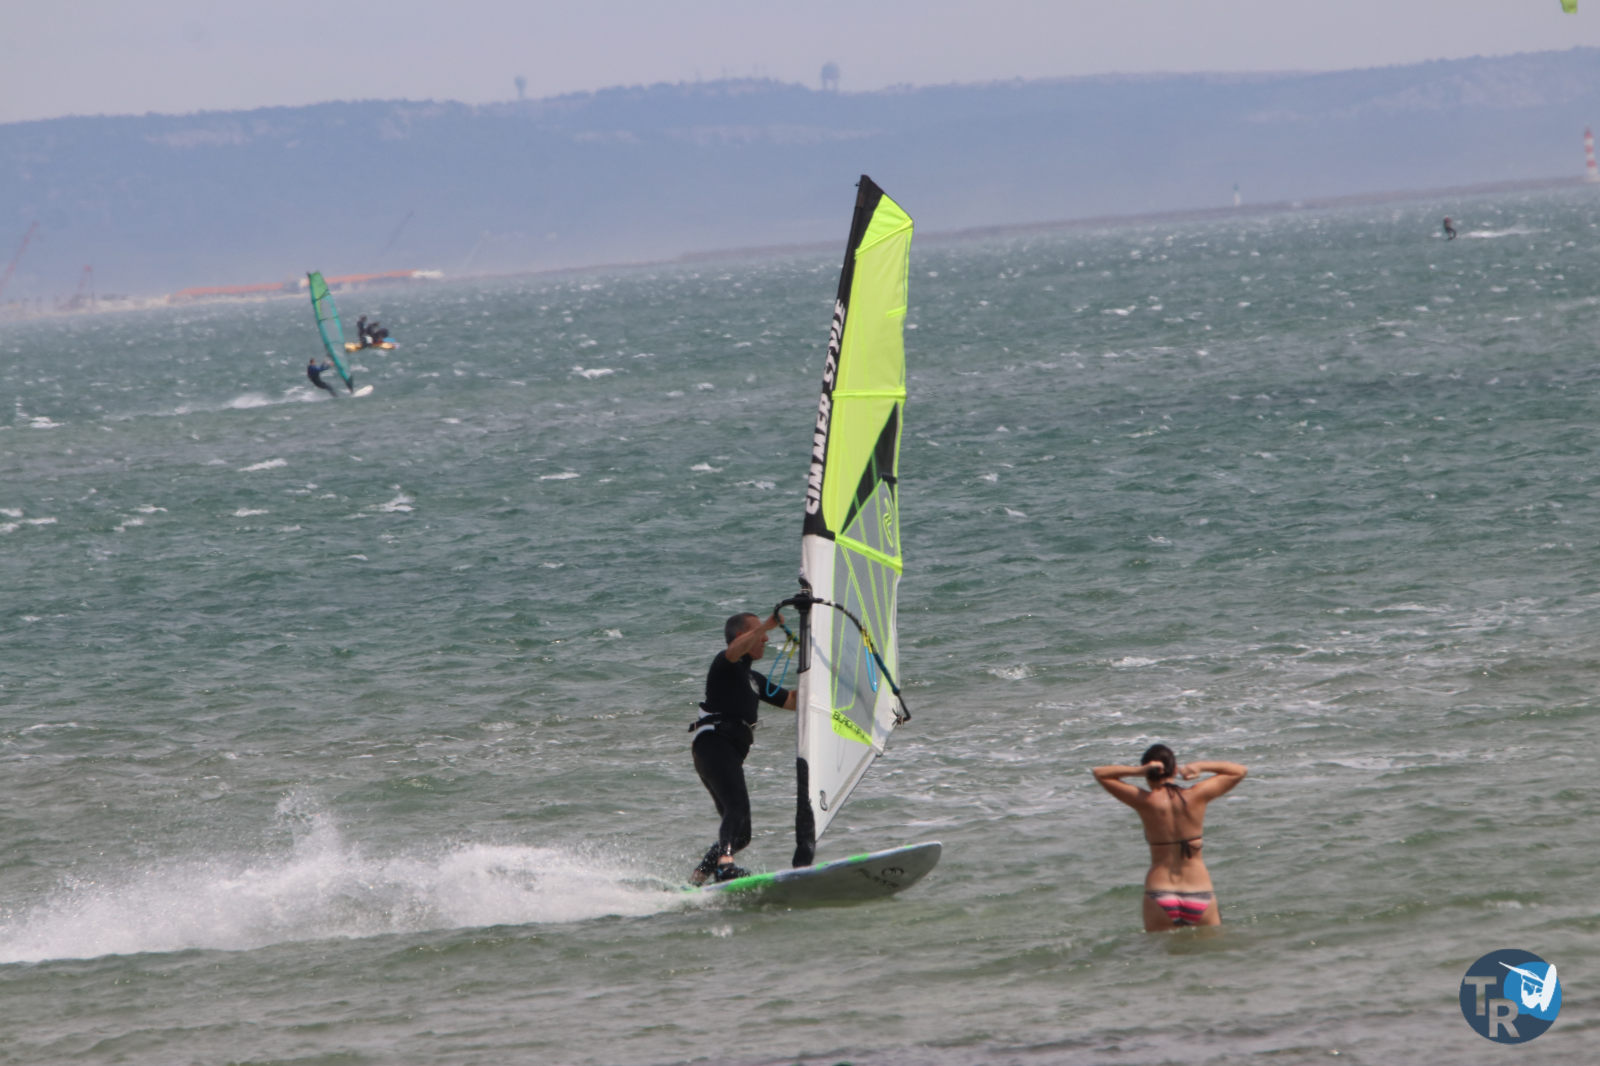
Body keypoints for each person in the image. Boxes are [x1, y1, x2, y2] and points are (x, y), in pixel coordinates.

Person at [687, 610, 797, 885]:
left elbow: (792, 701)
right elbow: (734, 651)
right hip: (714, 744)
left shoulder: (754, 679)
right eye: (760, 633)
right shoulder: (725, 664)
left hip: (724, 753)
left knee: (742, 833)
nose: (766, 639)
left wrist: (822, 677)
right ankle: (725, 866)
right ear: (742, 636)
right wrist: (767, 625)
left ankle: (698, 877)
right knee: (736, 808)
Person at [1092, 744, 1247, 931]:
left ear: (1148, 773)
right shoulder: (1196, 795)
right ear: (1174, 769)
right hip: (1199, 892)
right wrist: (1200, 766)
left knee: (1156, 949)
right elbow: (1239, 771)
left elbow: (1100, 773)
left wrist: (1137, 771)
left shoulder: (1144, 801)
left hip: (1160, 894)